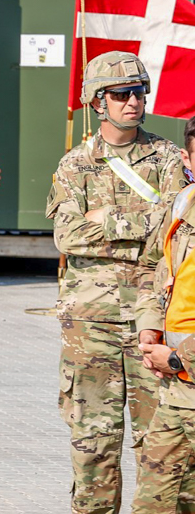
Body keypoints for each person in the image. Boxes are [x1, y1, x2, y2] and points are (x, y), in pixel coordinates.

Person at [47, 51, 185, 514]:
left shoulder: (167, 157)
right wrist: (136, 224)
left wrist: (105, 219)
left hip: (152, 320)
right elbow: (67, 235)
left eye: (139, 92)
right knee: (94, 444)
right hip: (91, 326)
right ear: (96, 102)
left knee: (161, 444)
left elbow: (169, 228)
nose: (133, 102)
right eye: (121, 94)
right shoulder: (75, 164)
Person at [133, 117, 195, 513]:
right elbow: (158, 270)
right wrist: (149, 329)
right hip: (179, 389)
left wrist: (176, 358)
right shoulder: (184, 203)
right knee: (154, 500)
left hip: (181, 366)